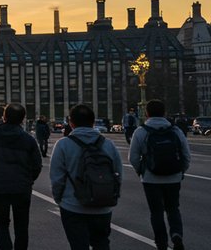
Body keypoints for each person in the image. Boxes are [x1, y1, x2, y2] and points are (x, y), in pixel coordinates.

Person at [50, 103, 123, 250]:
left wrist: (60, 199)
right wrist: (111, 195)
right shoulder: (108, 144)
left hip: (73, 205)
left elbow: (57, 178)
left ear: (71, 123)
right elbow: (118, 174)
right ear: (93, 122)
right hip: (102, 205)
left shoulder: (63, 145)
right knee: (102, 243)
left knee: (78, 246)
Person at [0, 103, 42, 250]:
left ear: (4, 117)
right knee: (21, 226)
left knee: (1, 224)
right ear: (23, 119)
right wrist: (28, 180)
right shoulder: (28, 139)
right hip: (22, 188)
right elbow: (37, 165)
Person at [128, 99, 190, 250]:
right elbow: (186, 155)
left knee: (156, 212)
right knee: (173, 208)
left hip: (151, 178)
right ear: (164, 113)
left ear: (147, 113)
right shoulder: (175, 130)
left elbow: (133, 157)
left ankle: (161, 243)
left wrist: (141, 171)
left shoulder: (141, 131)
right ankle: (176, 234)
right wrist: (180, 170)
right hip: (173, 177)